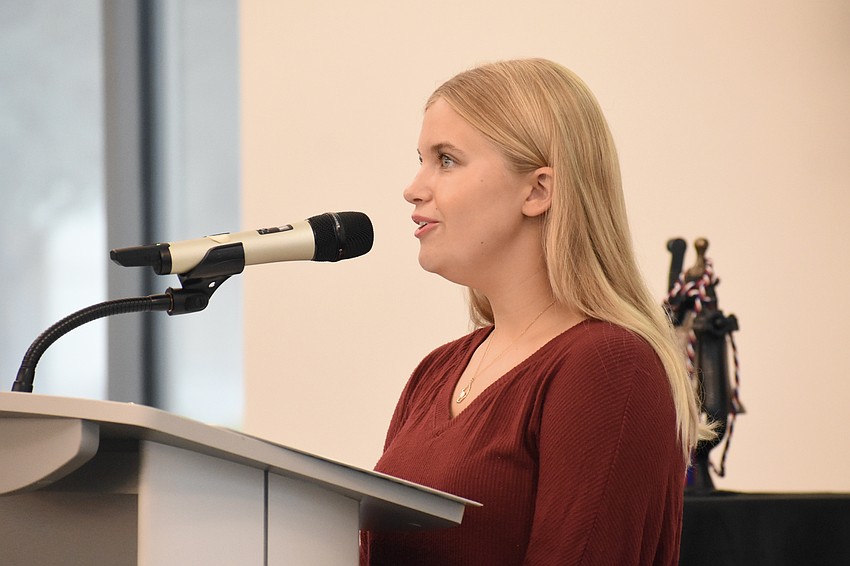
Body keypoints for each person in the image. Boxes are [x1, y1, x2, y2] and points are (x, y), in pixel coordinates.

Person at [360, 58, 708, 566]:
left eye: (447, 160)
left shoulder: (609, 365)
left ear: (538, 190)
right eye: (421, 159)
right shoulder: (436, 372)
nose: (414, 187)